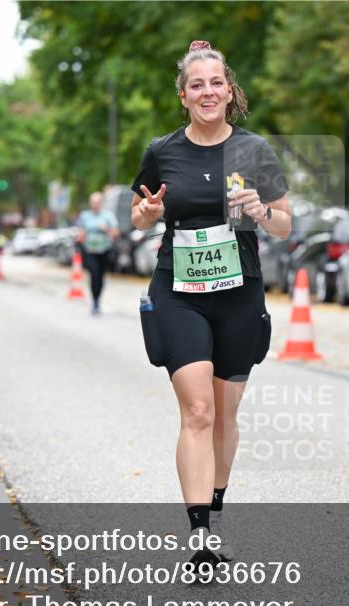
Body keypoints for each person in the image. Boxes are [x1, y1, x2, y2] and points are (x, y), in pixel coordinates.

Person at [131, 40, 291, 565]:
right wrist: (149, 214)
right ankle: (199, 536)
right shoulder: (162, 151)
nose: (207, 92)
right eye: (196, 85)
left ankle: (215, 507)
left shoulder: (254, 151)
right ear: (183, 96)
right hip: (179, 291)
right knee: (198, 410)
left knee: (224, 415)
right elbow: (139, 214)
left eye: (215, 83)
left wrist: (261, 211)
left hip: (239, 293)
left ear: (228, 90)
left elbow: (285, 225)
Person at [76, 191, 120, 314]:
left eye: (97, 202)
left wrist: (106, 229)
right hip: (89, 250)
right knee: (94, 273)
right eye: (93, 202)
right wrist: (80, 236)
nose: (95, 204)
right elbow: (80, 231)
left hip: (104, 250)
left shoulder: (108, 216)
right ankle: (94, 300)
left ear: (101, 203)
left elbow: (116, 233)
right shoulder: (85, 216)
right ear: (90, 203)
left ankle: (97, 298)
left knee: (100, 276)